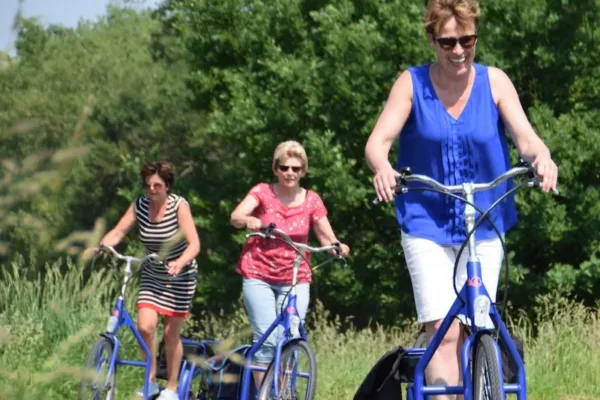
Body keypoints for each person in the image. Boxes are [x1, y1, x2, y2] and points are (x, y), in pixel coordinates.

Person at [364, 0, 558, 398]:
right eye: (448, 41)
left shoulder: (495, 82)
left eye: (467, 40)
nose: (458, 51)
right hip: (425, 223)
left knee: (479, 323)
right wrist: (382, 167)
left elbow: (525, 138)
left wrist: (542, 158)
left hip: (485, 221)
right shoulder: (411, 83)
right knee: (445, 331)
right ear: (432, 40)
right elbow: (378, 142)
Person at [230, 140, 350, 387]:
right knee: (268, 339)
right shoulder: (263, 192)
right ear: (276, 169)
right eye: (284, 168)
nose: (290, 173)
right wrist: (249, 220)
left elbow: (327, 235)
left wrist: (338, 247)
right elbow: (236, 216)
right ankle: (265, 393)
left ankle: (282, 392)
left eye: (296, 169)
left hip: (295, 275)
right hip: (258, 274)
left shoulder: (311, 200)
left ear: (303, 171)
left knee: (291, 335)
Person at [99, 161, 200, 400]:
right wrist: (102, 245)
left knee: (170, 334)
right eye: (148, 185)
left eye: (157, 185)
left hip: (180, 275)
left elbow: (194, 243)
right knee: (145, 327)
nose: (152, 189)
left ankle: (172, 387)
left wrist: (180, 262)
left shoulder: (179, 206)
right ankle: (151, 380)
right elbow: (118, 232)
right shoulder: (140, 205)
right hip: (153, 272)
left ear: (167, 186)